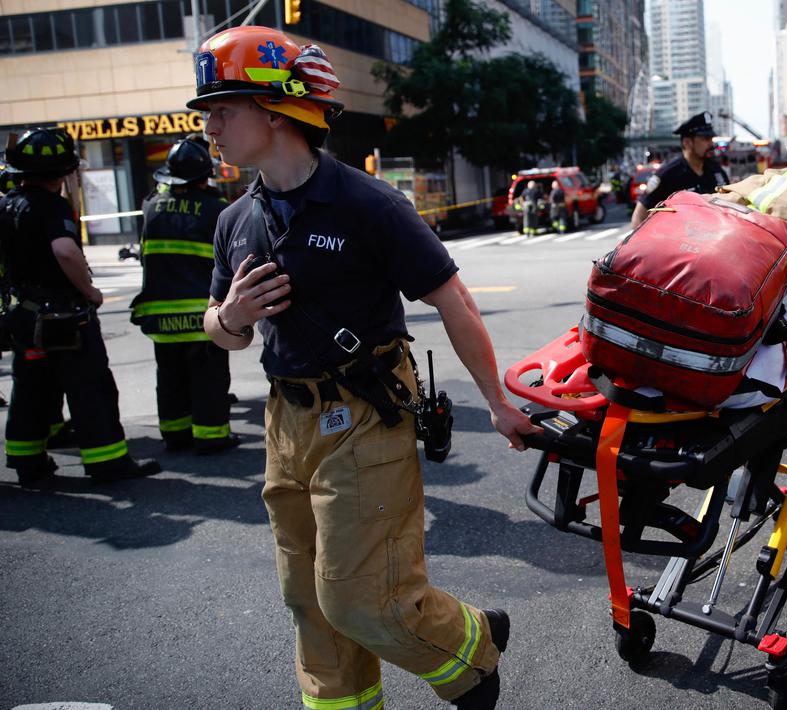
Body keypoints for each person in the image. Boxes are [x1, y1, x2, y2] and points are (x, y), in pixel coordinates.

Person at [190, 27, 538, 709]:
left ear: (275, 111)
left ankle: (470, 651)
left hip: (363, 416)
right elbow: (222, 335)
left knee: (358, 596)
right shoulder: (236, 220)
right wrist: (230, 316)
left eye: (222, 109)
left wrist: (496, 403)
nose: (209, 128)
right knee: (306, 597)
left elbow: (455, 302)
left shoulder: (367, 204)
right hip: (285, 422)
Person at [0, 128, 160, 488]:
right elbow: (65, 251)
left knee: (31, 389)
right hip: (63, 318)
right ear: (63, 171)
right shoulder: (52, 205)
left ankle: (28, 462)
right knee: (90, 388)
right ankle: (108, 463)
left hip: (23, 315)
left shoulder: (7, 205)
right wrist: (90, 292)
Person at [130, 136, 238, 454]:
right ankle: (211, 437)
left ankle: (175, 435)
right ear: (204, 177)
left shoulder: (150, 206)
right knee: (208, 377)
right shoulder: (216, 210)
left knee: (170, 378)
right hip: (199, 313)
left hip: (161, 316)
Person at [631, 111, 730, 227]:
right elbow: (638, 219)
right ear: (687, 143)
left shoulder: (717, 171)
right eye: (705, 138)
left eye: (711, 138)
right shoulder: (667, 175)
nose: (711, 144)